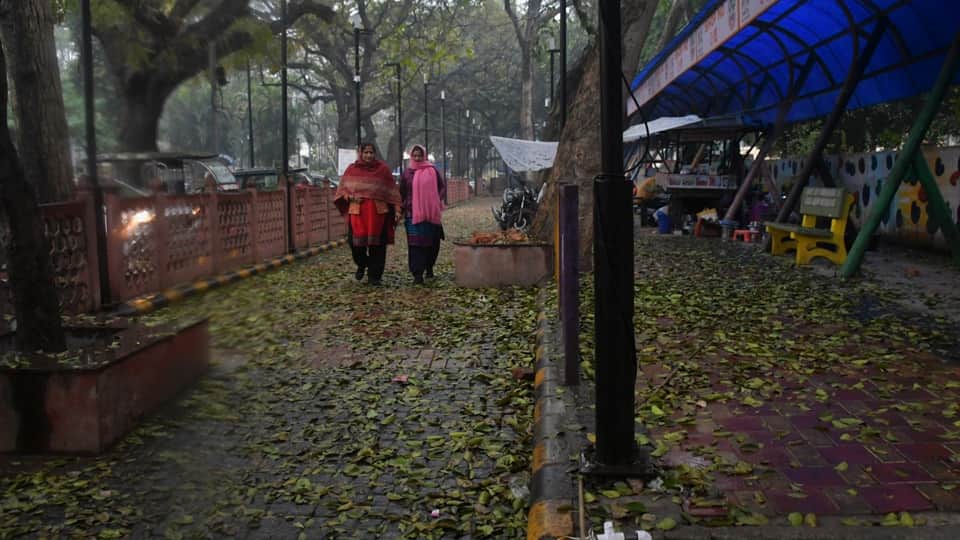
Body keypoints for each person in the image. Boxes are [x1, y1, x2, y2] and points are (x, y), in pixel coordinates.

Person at [333, 143, 402, 285]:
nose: (369, 155)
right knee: (355, 245)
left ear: (374, 154)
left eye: (371, 152)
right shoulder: (352, 170)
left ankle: (374, 276)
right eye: (366, 152)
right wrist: (350, 197)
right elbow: (342, 191)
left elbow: (392, 192)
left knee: (378, 247)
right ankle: (363, 264)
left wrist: (397, 210)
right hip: (357, 214)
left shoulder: (382, 170)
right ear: (360, 153)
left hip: (378, 214)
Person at [399, 144, 446, 284]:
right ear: (411, 156)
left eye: (420, 155)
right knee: (415, 244)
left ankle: (429, 267)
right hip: (412, 214)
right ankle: (417, 274)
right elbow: (401, 192)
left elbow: (442, 187)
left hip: (431, 213)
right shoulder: (407, 173)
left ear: (424, 156)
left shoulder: (432, 170)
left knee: (431, 243)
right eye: (415, 155)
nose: (418, 158)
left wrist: (435, 200)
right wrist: (402, 208)